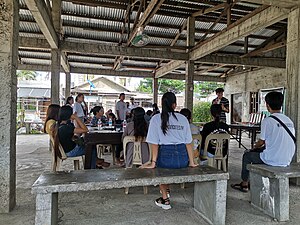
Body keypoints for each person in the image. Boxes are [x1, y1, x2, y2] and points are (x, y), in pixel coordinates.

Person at [142, 92, 197, 210]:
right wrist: (191, 162)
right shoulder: (183, 118)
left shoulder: (156, 119)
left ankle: (165, 200)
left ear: (162, 104)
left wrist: (153, 162)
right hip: (182, 158)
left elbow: (154, 144)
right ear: (175, 104)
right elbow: (188, 142)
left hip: (166, 157)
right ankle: (166, 191)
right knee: (164, 169)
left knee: (160, 170)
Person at [231, 92, 295, 192]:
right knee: (259, 152)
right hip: (287, 159)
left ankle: (244, 184)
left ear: (267, 105)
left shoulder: (267, 120)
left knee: (247, 156)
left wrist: (254, 147)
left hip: (273, 159)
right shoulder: (289, 120)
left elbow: (261, 142)